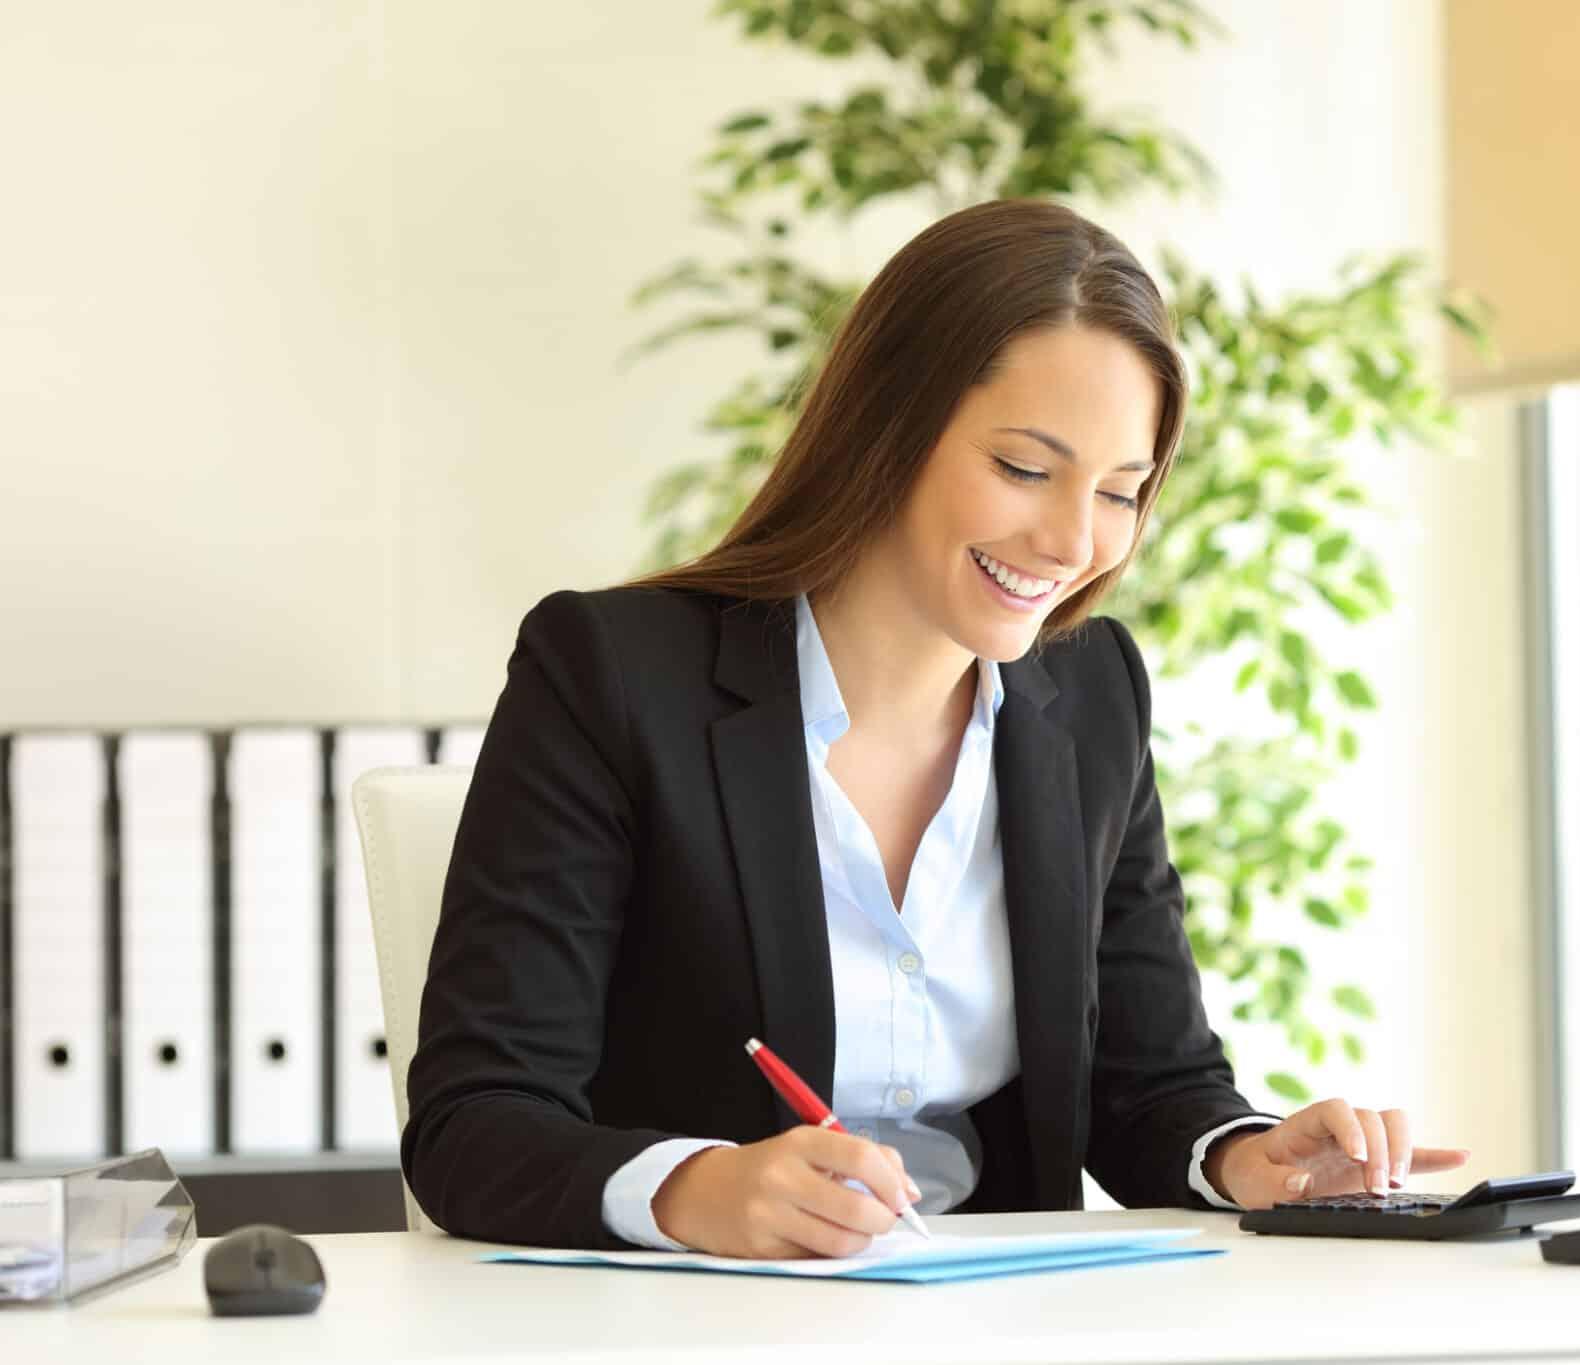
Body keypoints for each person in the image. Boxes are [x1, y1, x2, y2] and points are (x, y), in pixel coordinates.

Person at [403, 198, 1468, 1256]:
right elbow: (475, 1123)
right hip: (705, 1320)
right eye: (1022, 469)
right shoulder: (614, 675)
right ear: (889, 424)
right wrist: (701, 1190)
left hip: (1000, 1312)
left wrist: (1245, 1155)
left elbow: (1149, 1085)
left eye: (1119, 491)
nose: (1068, 540)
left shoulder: (1091, 695)